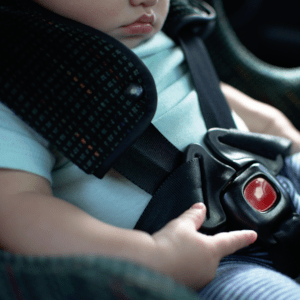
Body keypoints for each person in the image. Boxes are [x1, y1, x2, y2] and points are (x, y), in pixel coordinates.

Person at [1, 0, 300, 298]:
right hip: (203, 259)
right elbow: (15, 208)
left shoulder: (161, 33)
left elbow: (214, 93)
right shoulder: (18, 86)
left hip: (279, 182)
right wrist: (149, 256)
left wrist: (286, 138)